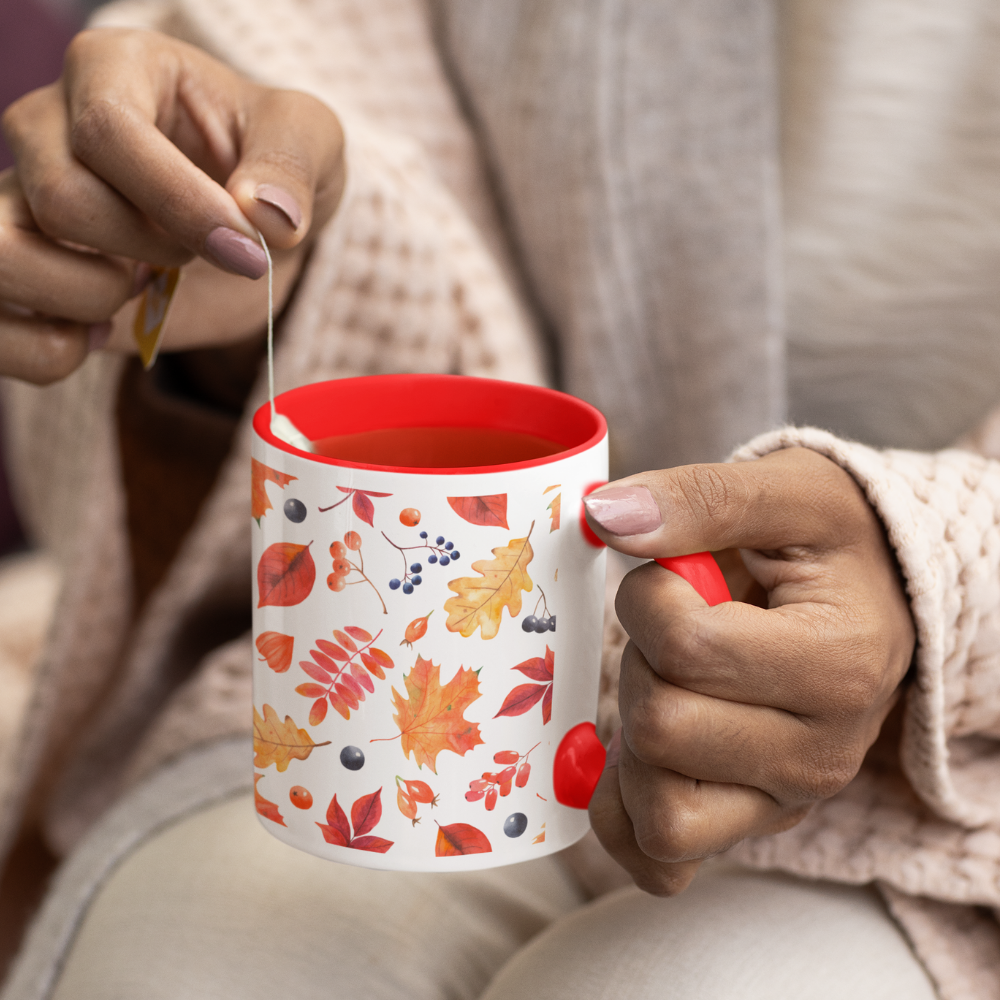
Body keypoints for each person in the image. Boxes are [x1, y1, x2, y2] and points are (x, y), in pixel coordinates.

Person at [0, 1, 998, 997]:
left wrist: (940, 572)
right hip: (392, 762)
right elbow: (349, 96)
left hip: (957, 798)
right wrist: (263, 264)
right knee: (199, 956)